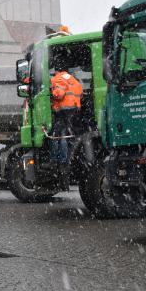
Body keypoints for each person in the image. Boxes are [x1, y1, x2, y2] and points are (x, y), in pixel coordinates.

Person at [49, 56, 82, 190]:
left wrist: (52, 94)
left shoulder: (57, 78)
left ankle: (57, 159)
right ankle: (66, 157)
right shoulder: (71, 77)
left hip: (62, 109)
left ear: (57, 70)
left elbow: (58, 94)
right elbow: (80, 89)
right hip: (73, 109)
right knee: (66, 133)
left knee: (57, 135)